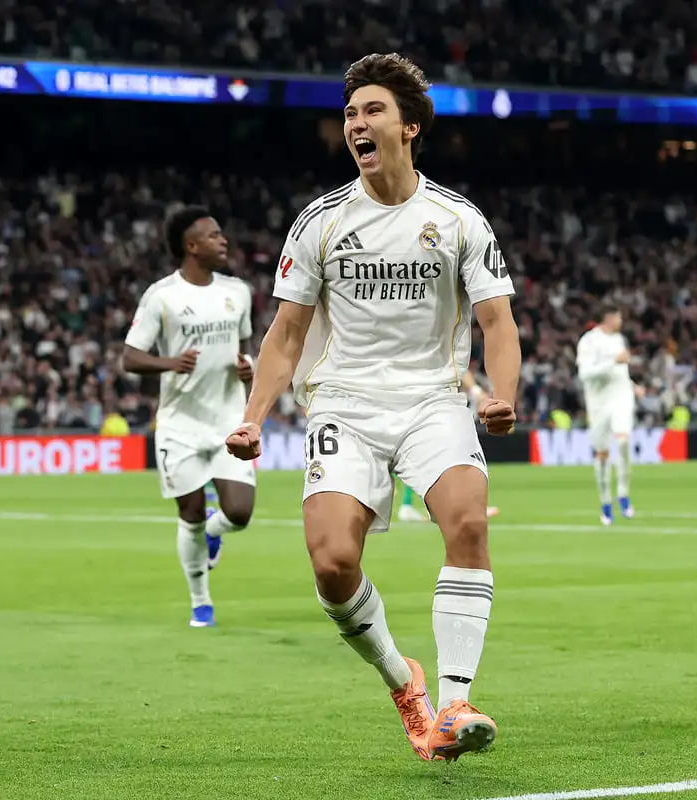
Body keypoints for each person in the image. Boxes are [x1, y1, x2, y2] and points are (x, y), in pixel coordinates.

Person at [224, 53, 520, 762]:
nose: (357, 123)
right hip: (344, 404)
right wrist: (255, 414)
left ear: (409, 127)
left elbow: (498, 322)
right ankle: (402, 680)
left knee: (469, 521)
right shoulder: (321, 222)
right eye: (351, 113)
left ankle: (455, 702)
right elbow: (286, 331)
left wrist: (503, 392)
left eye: (373, 111)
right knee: (331, 563)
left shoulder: (456, 219)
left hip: (432, 399)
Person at [122, 206, 257, 628]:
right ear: (191, 246)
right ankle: (201, 601)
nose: (224, 241)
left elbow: (245, 347)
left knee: (239, 512)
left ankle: (218, 533)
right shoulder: (162, 296)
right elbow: (130, 357)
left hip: (228, 419)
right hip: (180, 425)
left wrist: (248, 365)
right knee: (192, 512)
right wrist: (170, 363)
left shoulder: (238, 292)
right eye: (214, 235)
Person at [396, 369, 501, 522]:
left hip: (417, 401)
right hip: (432, 403)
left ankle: (409, 505)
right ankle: (464, 505)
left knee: (419, 453)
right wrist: (476, 391)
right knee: (457, 453)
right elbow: (458, 366)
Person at [575, 305, 638, 525]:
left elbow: (620, 373)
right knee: (602, 453)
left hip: (621, 399)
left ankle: (623, 494)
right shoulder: (588, 342)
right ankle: (605, 502)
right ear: (608, 318)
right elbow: (585, 374)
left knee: (622, 441)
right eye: (618, 316)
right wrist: (613, 361)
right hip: (599, 405)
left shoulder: (619, 339)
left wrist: (632, 385)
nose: (621, 319)